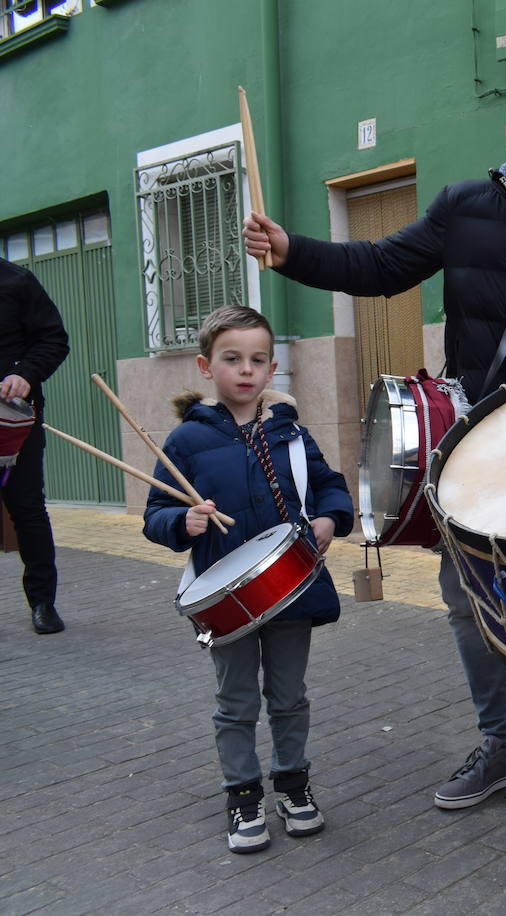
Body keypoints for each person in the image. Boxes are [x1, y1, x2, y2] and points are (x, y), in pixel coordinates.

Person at [243, 73, 506, 809]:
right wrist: (293, 250)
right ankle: (505, 738)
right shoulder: (463, 206)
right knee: (465, 595)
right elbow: (381, 267)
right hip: (475, 436)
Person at [143, 305, 354, 853]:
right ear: (205, 366)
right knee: (236, 701)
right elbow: (154, 516)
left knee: (289, 696)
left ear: (272, 367)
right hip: (226, 598)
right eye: (232, 359)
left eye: (258, 360)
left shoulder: (289, 433)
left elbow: (330, 486)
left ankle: (292, 782)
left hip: (291, 590)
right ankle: (242, 794)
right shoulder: (186, 443)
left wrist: (331, 518)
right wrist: (180, 522)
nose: (246, 370)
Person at [0, 258, 70, 635]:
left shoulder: (16, 281)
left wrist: (24, 373)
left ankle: (42, 602)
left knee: (26, 509)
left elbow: (54, 339)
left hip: (13, 421)